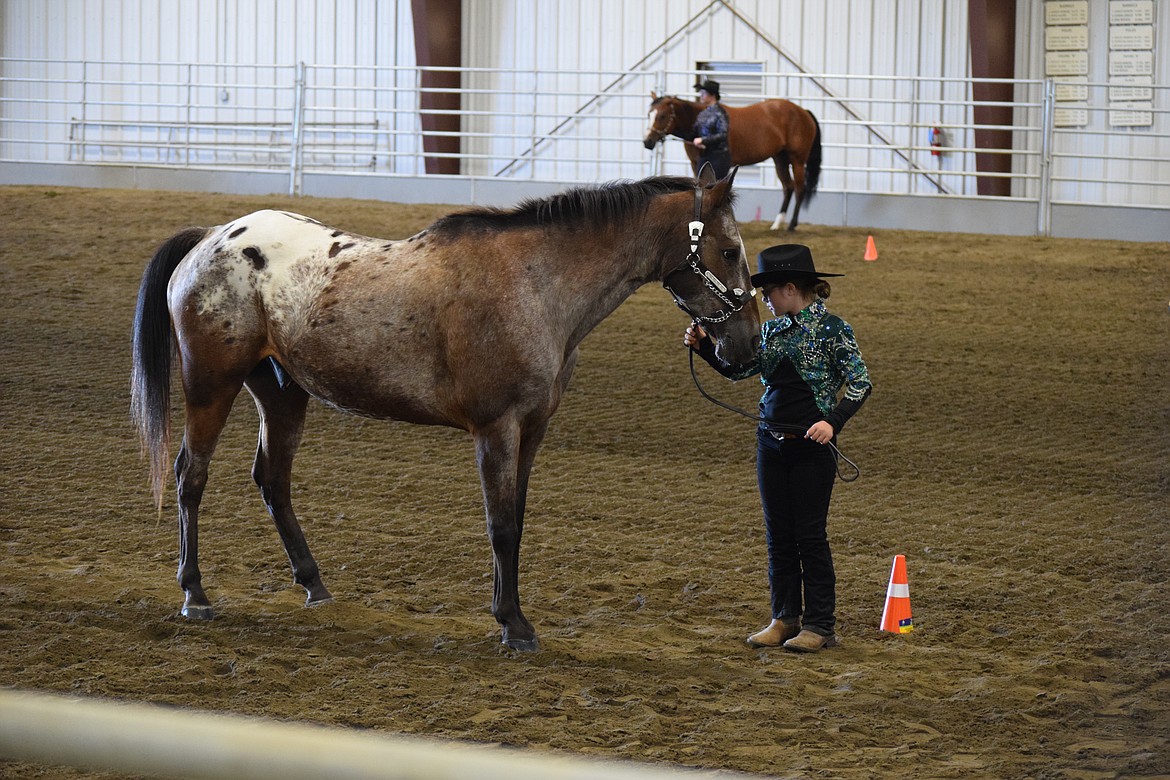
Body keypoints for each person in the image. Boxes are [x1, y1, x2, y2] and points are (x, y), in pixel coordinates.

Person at [683, 245, 871, 653]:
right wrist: (704, 348)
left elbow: (860, 383)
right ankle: (784, 618)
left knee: (809, 536)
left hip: (811, 447)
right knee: (779, 537)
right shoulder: (768, 332)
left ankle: (820, 625)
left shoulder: (834, 330)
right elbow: (739, 370)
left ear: (790, 288)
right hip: (770, 442)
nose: (763, 300)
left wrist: (831, 422)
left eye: (767, 292)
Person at [691, 79, 731, 179]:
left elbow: (723, 134)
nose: (701, 95)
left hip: (718, 157)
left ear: (712, 95)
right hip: (705, 155)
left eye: (703, 93)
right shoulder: (703, 114)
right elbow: (694, 132)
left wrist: (703, 140)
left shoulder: (720, 113)